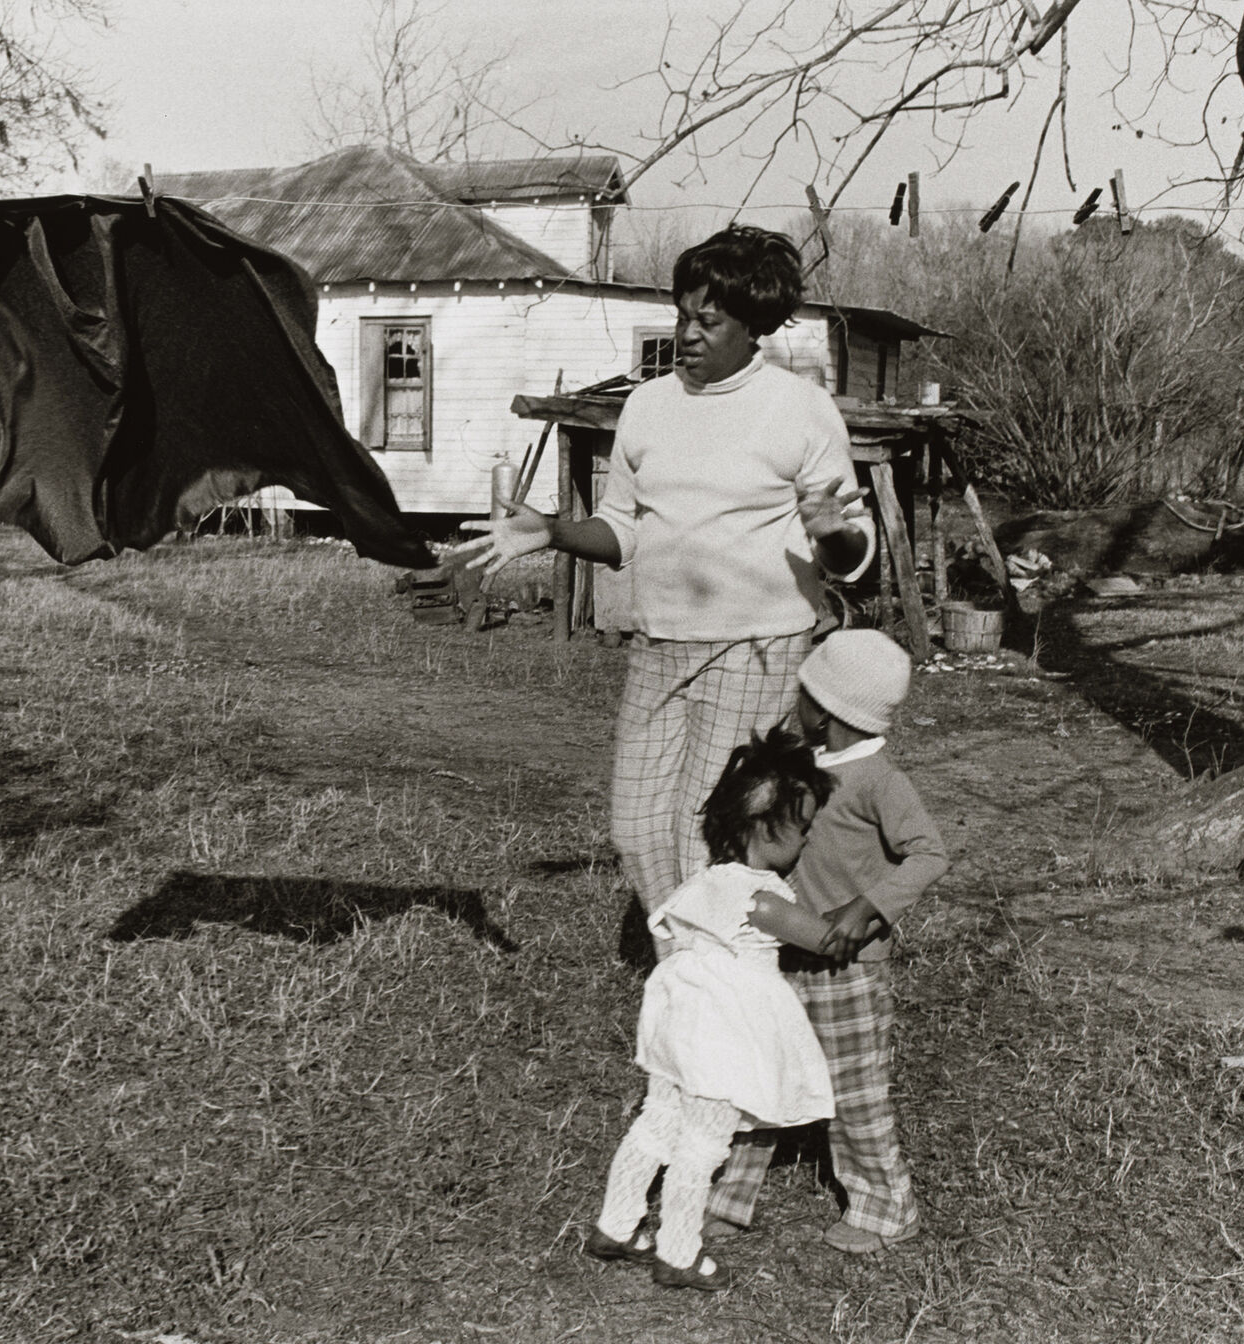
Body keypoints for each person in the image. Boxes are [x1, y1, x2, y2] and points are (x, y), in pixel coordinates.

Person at [456, 226, 875, 926]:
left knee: (698, 829)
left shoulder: (800, 409)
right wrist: (552, 530)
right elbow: (621, 531)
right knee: (637, 827)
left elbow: (853, 560)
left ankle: (708, 974)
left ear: (754, 329)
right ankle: (699, 957)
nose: (687, 333)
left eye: (708, 320)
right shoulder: (647, 407)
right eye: (683, 315)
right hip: (659, 645)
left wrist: (833, 533)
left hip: (757, 646)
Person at [703, 629, 948, 1254]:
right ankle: (727, 1198)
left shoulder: (879, 780)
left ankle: (886, 1210)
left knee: (854, 1095)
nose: (796, 701)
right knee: (755, 1076)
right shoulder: (798, 767)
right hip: (777, 958)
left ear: (826, 707)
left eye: (805, 691)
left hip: (848, 972)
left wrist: (866, 907)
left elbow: (929, 855)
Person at [582, 728, 842, 1291]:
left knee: (656, 1123)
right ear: (765, 830)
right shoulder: (764, 899)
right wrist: (860, 916)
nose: (807, 840)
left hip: (678, 1021)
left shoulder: (703, 882)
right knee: (702, 1145)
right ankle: (678, 1251)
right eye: (803, 828)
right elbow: (826, 941)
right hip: (723, 1032)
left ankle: (616, 1223)